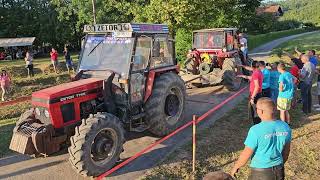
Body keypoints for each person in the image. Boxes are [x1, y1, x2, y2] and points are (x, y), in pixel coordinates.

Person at [230, 98, 292, 180]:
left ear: (261, 111)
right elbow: (286, 151)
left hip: (260, 173)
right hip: (279, 170)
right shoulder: (285, 126)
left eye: (257, 108)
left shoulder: (255, 130)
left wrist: (236, 167)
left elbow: (246, 153)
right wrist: (279, 164)